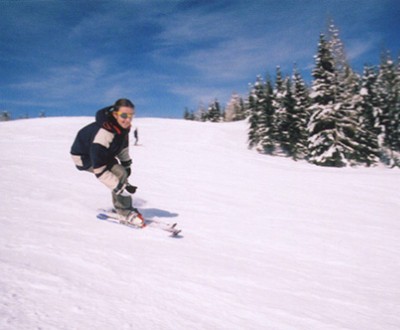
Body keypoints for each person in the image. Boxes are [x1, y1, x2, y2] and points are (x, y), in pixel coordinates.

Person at [70, 98, 143, 226]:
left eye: (131, 115)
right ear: (115, 115)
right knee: (118, 175)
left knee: (122, 172)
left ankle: (122, 205)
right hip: (85, 158)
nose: (128, 119)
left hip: (105, 154)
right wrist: (119, 187)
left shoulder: (123, 128)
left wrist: (126, 164)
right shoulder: (104, 133)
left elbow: (122, 147)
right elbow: (99, 170)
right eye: (124, 115)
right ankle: (124, 211)